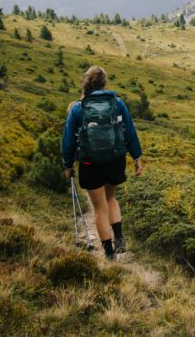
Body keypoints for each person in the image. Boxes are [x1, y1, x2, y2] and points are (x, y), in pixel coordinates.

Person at [62, 65, 143, 259]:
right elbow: (129, 131)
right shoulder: (117, 103)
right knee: (111, 198)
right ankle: (120, 239)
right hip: (115, 160)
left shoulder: (77, 108)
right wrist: (137, 158)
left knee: (99, 209)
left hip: (90, 165)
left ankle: (109, 253)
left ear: (86, 82)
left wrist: (68, 164)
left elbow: (68, 140)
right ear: (104, 83)